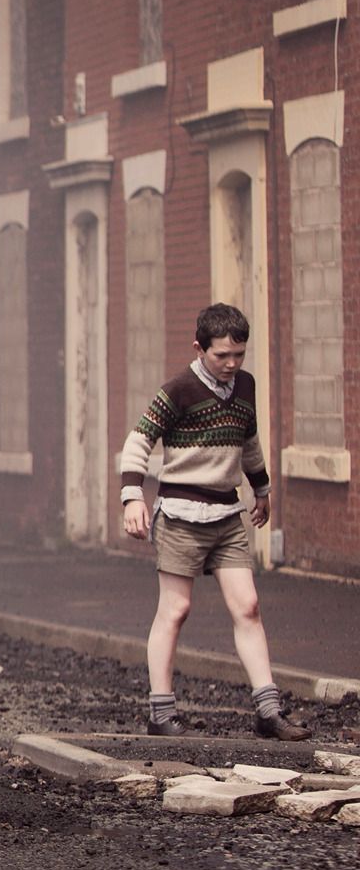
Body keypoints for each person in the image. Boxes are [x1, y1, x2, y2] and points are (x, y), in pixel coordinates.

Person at [118, 303, 307, 741]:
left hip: (226, 514)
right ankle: (161, 714)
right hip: (181, 515)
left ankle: (268, 711)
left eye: (238, 354)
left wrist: (261, 490)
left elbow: (249, 440)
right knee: (176, 609)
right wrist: (132, 497)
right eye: (222, 355)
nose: (231, 364)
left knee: (248, 607)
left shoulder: (245, 385)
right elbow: (138, 440)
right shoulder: (179, 389)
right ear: (199, 348)